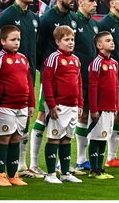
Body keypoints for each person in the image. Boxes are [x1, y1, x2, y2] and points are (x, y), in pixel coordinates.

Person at [0, 0, 39, 180]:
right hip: (6, 83)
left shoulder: (34, 17)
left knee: (21, 128)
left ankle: (19, 167)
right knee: (2, 130)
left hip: (26, 76)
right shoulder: (6, 16)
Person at [31, 0, 75, 173]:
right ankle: (33, 163)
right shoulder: (47, 19)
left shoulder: (73, 19)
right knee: (44, 114)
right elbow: (38, 48)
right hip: (51, 75)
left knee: (66, 119)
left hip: (69, 76)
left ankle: (61, 165)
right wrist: (47, 69)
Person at [41, 25, 84, 185]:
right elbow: (47, 81)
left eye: (72, 39)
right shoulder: (54, 58)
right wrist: (51, 104)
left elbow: (79, 83)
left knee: (67, 139)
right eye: (66, 40)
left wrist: (80, 103)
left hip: (73, 106)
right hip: (58, 106)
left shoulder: (75, 59)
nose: (71, 42)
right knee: (54, 138)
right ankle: (50, 174)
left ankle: (65, 172)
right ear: (58, 42)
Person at [0, 25, 32, 187]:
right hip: (4, 106)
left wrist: (31, 104)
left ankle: (13, 174)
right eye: (13, 39)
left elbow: (29, 82)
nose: (17, 42)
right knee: (3, 138)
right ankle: (0, 174)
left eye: (18, 39)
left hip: (22, 106)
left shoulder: (23, 58)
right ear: (2, 41)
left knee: (17, 138)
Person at [97, 0, 119, 169]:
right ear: (111, 3)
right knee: (103, 115)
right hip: (106, 75)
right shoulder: (103, 24)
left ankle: (112, 157)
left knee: (118, 115)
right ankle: (94, 157)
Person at [70, 0, 100, 174]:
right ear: (80, 2)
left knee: (85, 116)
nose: (95, 4)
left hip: (90, 78)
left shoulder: (94, 24)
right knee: (69, 118)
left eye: (96, 1)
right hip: (74, 78)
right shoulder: (72, 21)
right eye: (91, 1)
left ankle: (81, 159)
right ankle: (60, 161)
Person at [86, 30, 119, 180]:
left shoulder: (114, 63)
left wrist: (117, 106)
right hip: (99, 109)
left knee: (104, 137)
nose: (112, 42)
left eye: (112, 39)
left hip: (111, 108)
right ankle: (94, 170)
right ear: (99, 45)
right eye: (107, 40)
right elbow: (92, 88)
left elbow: (116, 87)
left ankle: (101, 167)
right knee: (96, 138)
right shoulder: (96, 63)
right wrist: (94, 109)